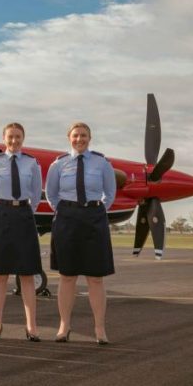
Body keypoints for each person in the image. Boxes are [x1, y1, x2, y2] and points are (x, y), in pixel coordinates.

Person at [45, 121, 117, 345]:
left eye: (83, 135)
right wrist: (68, 211)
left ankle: (99, 328)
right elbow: (51, 195)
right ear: (69, 138)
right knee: (67, 276)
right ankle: (64, 326)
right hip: (67, 218)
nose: (79, 139)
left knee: (95, 278)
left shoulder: (102, 163)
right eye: (75, 135)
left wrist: (94, 212)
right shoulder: (58, 165)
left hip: (94, 218)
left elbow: (110, 193)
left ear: (89, 138)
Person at [0, 122, 43, 342]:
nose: (14, 141)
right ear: (4, 138)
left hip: (24, 215)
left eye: (18, 137)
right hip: (2, 215)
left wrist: (24, 211)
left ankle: (32, 326)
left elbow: (36, 194)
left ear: (23, 138)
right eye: (10, 137)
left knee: (27, 274)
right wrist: (2, 212)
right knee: (0, 274)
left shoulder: (31, 163)